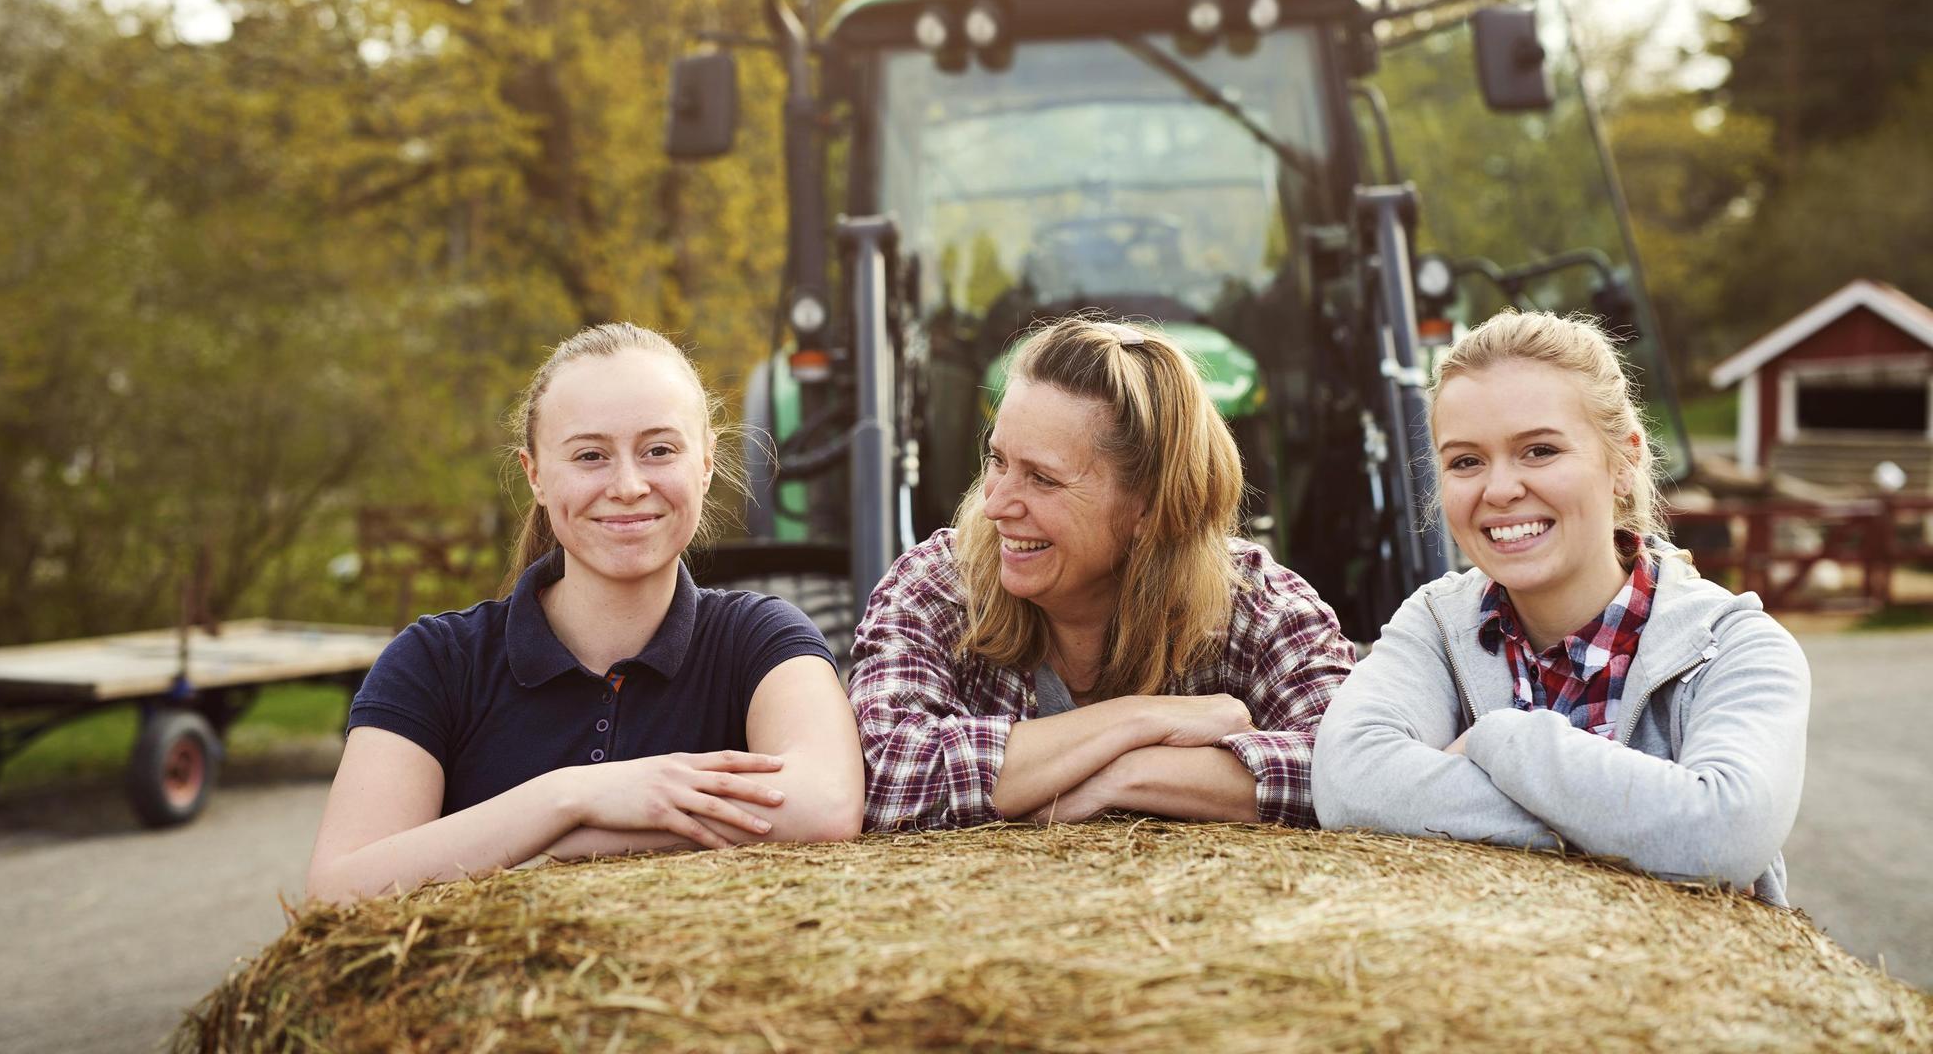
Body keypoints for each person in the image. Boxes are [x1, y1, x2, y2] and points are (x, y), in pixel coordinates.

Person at [306, 324, 863, 903]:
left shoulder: (761, 638)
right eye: (590, 455)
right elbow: (336, 890)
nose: (627, 485)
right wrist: (568, 796)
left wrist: (555, 844)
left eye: (660, 450)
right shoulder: (433, 662)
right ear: (536, 476)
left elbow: (824, 805)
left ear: (706, 463)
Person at [1313, 310, 1809, 903]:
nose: (1499, 490)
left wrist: (1497, 740)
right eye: (1466, 461)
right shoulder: (1435, 625)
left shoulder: (1735, 647)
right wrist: (1637, 833)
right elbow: (1349, 783)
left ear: (1623, 462)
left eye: (1539, 450)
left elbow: (1722, 835)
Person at [851, 315, 1356, 832]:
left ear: (1148, 508)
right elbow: (887, 775)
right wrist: (1139, 719)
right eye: (997, 460)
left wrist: (1125, 777)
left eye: (1043, 479)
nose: (996, 503)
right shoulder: (937, 586)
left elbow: (1356, 769)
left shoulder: (1256, 602)